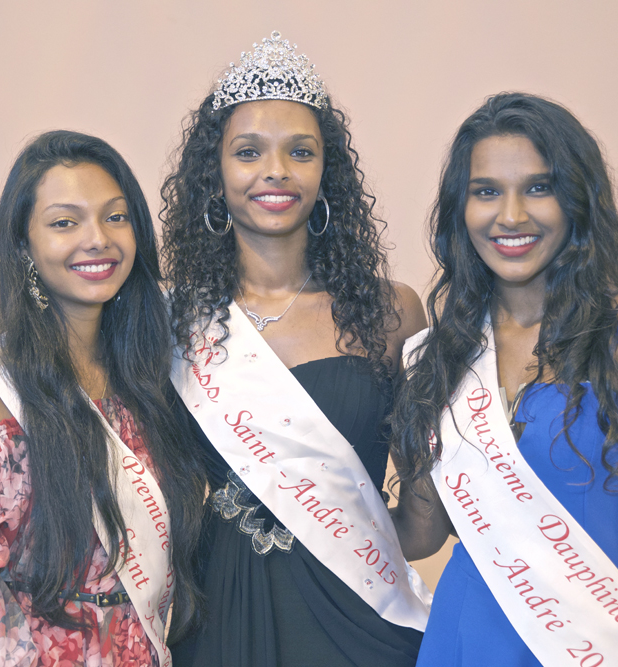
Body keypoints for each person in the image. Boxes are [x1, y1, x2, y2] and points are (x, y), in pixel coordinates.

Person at [390, 93, 618, 666]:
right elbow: (421, 533)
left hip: (590, 645)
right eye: (486, 191)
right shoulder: (443, 352)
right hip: (459, 644)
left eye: (539, 188)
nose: (511, 215)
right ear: (459, 209)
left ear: (577, 202)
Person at [161, 31, 431, 667]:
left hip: (362, 613)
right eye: (248, 152)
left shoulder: (393, 311)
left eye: (300, 152)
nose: (275, 171)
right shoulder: (171, 322)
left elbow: (427, 511)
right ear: (215, 175)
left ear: (325, 173)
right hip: (222, 613)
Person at [0, 131, 207, 667]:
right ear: (24, 245)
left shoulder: (151, 377)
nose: (98, 239)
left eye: (116, 217)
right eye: (65, 222)